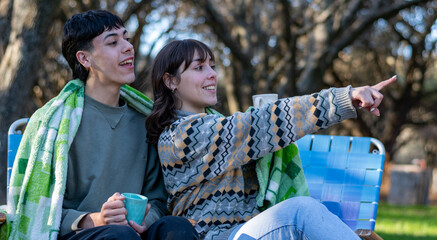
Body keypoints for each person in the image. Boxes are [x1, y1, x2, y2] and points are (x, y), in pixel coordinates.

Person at [145, 39, 396, 240]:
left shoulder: (213, 124)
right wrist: (344, 98)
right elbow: (263, 123)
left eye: (212, 65)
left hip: (246, 230)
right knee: (301, 211)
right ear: (170, 81)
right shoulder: (181, 136)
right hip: (215, 235)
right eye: (199, 67)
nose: (212, 74)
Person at [1, 10, 198, 240]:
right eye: (113, 42)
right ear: (85, 59)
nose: (128, 47)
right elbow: (41, 211)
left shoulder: (145, 122)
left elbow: (157, 200)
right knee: (118, 236)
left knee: (177, 228)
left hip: (133, 234)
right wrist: (96, 219)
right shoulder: (54, 125)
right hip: (79, 235)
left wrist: (146, 218)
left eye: (126, 37)